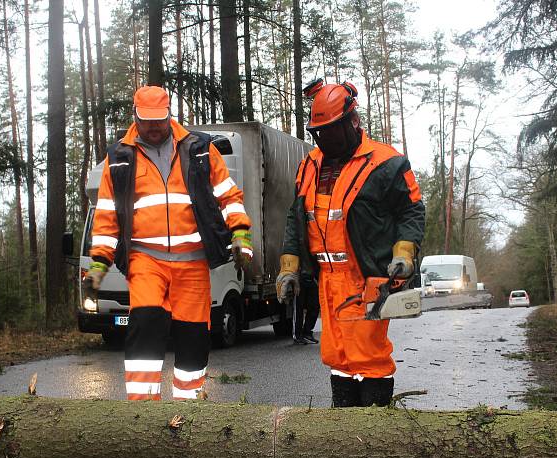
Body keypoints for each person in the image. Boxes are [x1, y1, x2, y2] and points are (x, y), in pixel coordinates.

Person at [84, 85, 252, 401]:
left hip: (193, 261)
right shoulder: (120, 158)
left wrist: (241, 234)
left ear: (169, 115)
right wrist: (98, 264)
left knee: (193, 336)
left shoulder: (199, 150)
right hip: (145, 260)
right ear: (135, 117)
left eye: (159, 120)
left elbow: (229, 196)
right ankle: (143, 411)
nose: (153, 127)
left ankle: (187, 409)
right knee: (145, 325)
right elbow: (106, 217)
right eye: (147, 121)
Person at [277, 80, 425, 408]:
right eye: (320, 132)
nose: (325, 139)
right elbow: (295, 218)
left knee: (368, 355)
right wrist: (289, 265)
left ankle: (373, 424)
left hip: (364, 276)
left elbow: (411, 210)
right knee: (337, 355)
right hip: (326, 278)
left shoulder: (386, 163)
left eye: (330, 131)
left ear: (352, 122)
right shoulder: (309, 166)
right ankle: (343, 428)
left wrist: (404, 251)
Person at [292, 273, 319, 344]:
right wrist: (296, 282)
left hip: (312, 279)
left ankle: (307, 333)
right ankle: (297, 335)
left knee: (315, 306)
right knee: (299, 309)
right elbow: (294, 266)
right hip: (299, 279)